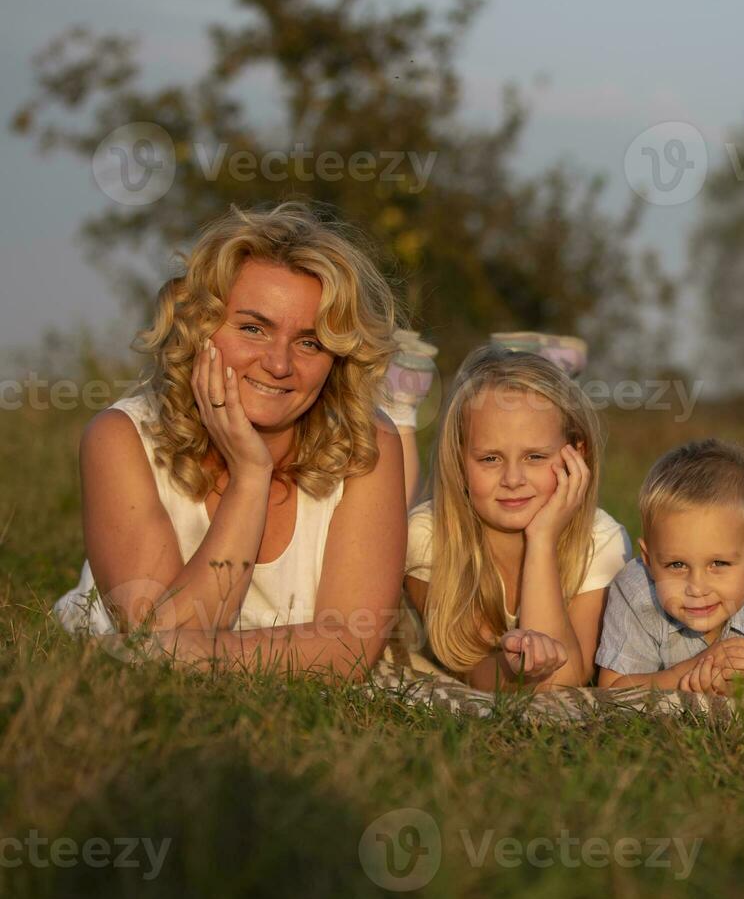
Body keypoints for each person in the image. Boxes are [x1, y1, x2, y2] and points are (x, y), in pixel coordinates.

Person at [53, 202, 407, 679]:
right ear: (201, 328)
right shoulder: (121, 438)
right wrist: (251, 475)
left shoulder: (368, 441)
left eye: (309, 342)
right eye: (252, 329)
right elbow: (158, 650)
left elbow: (349, 649)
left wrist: (181, 649)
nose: (279, 364)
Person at [402, 346, 630, 691]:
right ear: (459, 461)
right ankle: (397, 407)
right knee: (399, 504)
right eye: (490, 458)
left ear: (576, 454)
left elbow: (563, 681)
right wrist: (518, 670)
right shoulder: (429, 535)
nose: (512, 479)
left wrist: (542, 539)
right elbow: (472, 669)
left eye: (535, 456)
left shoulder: (601, 539)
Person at [595, 439, 744, 703]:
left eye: (719, 564)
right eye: (676, 565)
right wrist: (690, 671)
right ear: (648, 559)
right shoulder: (634, 592)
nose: (697, 588)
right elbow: (612, 691)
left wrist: (733, 693)